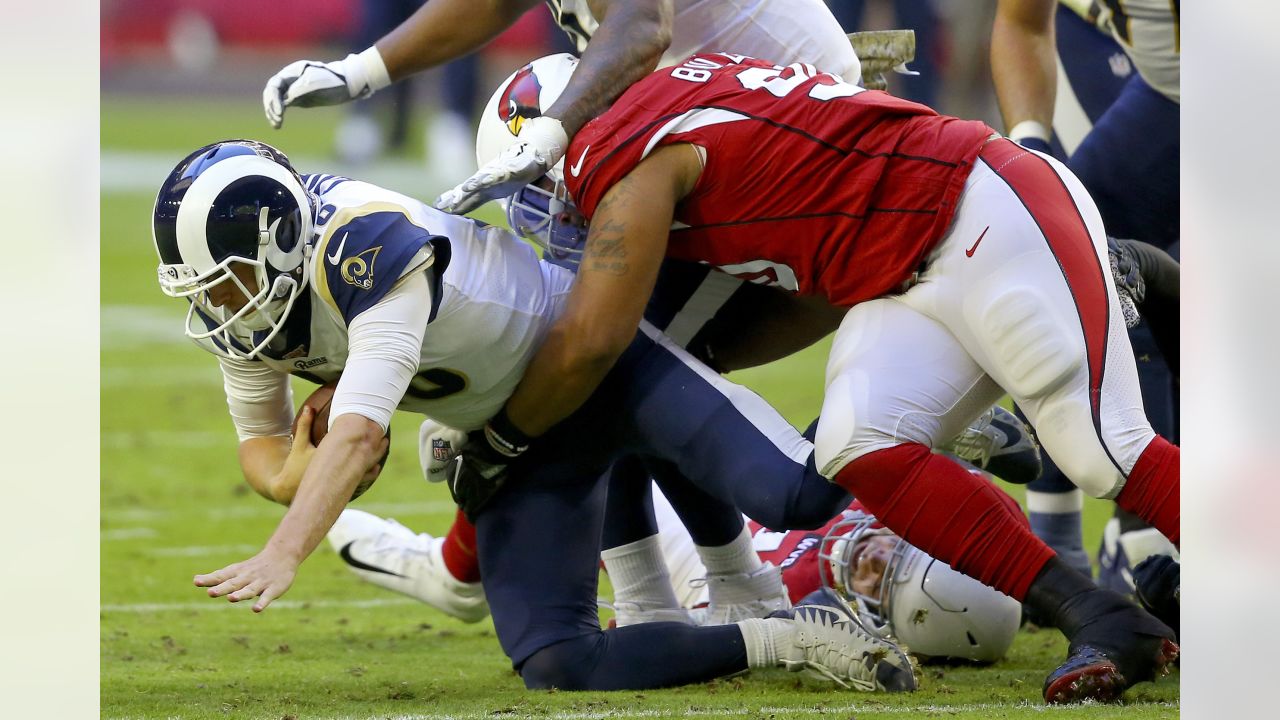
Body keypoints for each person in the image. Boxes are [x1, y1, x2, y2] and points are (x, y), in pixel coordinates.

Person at [454, 52, 1180, 703]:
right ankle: (1098, 614)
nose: (545, 219)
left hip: (987, 211)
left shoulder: (620, 152)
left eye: (533, 192)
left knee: (1100, 448)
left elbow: (593, 345)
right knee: (858, 446)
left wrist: (501, 438)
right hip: (910, 269)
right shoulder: (669, 100)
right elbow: (810, 286)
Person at [151, 138, 917, 692]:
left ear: (283, 239)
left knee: (798, 497)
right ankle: (784, 639)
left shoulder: (360, 248)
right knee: (556, 662)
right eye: (206, 290)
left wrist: (286, 550)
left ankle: (916, 392)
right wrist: (294, 475)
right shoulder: (255, 308)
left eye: (226, 283)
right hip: (515, 435)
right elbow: (262, 448)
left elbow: (356, 435)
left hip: (593, 359)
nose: (218, 304)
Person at [259, 0, 861, 216]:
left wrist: (552, 134)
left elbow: (642, 25)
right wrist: (359, 71)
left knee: (615, 347)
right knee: (609, 346)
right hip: (721, 118)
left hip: (800, 133)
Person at [990, 0, 1180, 586]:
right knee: (1045, 243)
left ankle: (1162, 534)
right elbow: (1021, 21)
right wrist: (1032, 143)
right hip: (1173, 92)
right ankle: (1064, 539)